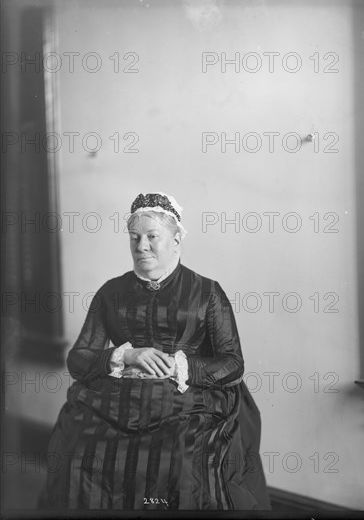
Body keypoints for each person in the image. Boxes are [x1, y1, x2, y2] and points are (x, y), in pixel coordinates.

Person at [39, 192, 271, 511]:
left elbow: (233, 364)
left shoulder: (207, 292)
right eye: (134, 237)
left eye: (152, 237)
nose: (141, 246)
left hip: (188, 401)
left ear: (176, 241)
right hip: (119, 399)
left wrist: (179, 366)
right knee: (82, 447)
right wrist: (126, 356)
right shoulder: (111, 292)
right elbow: (78, 359)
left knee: (181, 457)